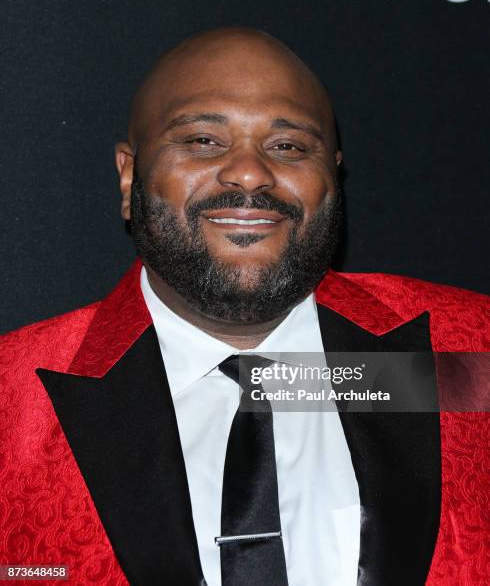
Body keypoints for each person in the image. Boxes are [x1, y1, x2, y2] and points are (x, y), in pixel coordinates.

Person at [0, 28, 488, 586]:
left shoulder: (473, 349)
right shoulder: (9, 401)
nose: (251, 173)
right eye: (203, 140)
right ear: (130, 175)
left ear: (333, 175)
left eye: (288, 146)